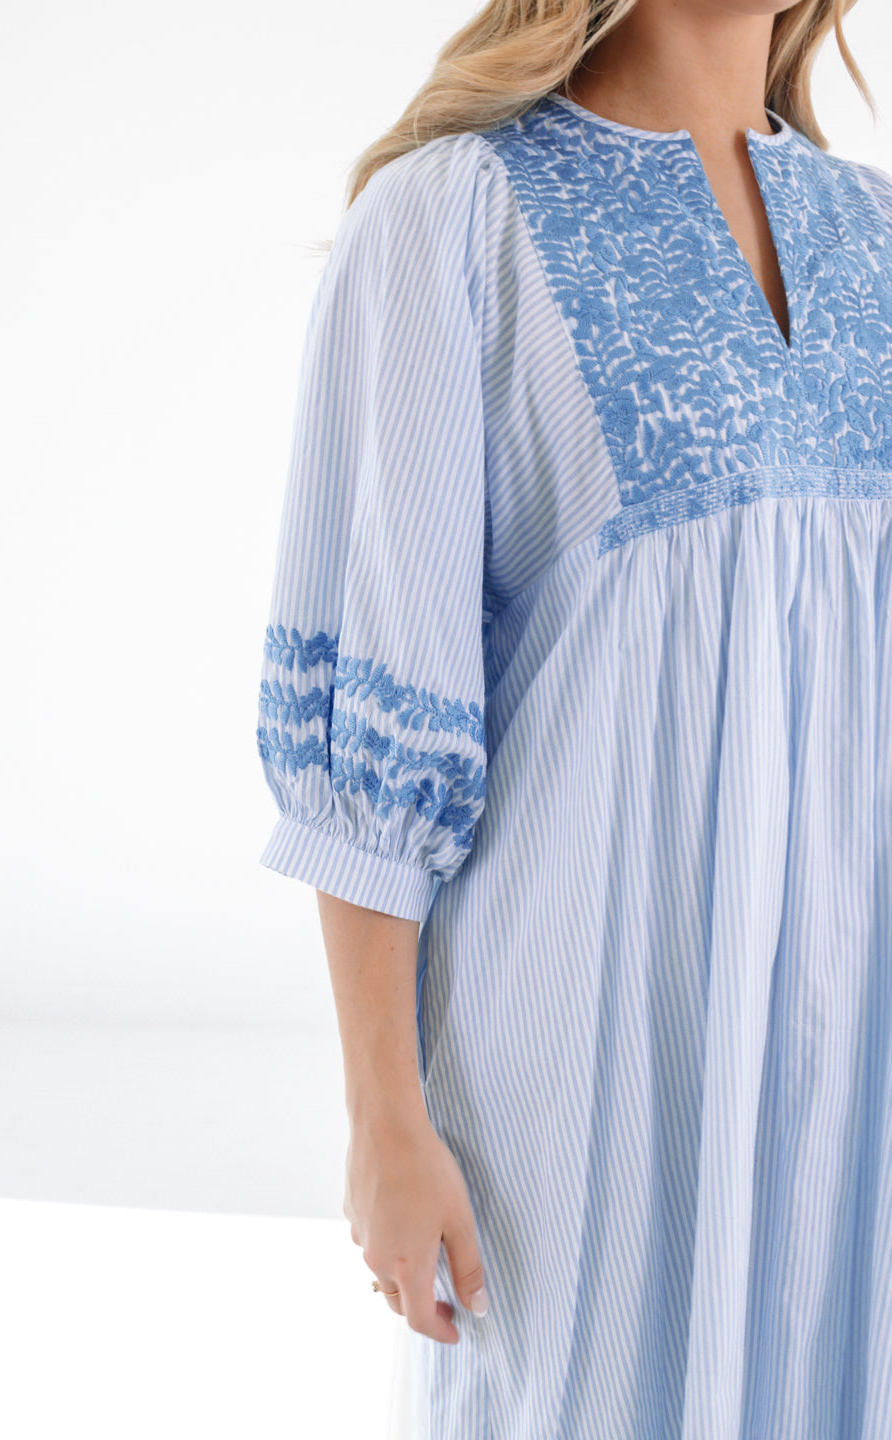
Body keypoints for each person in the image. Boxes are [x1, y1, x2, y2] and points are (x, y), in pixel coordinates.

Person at [256, 0, 892, 1433]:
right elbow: (378, 714)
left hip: (857, 1056)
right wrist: (382, 1115)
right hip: (592, 1051)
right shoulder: (447, 222)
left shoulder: (877, 235)